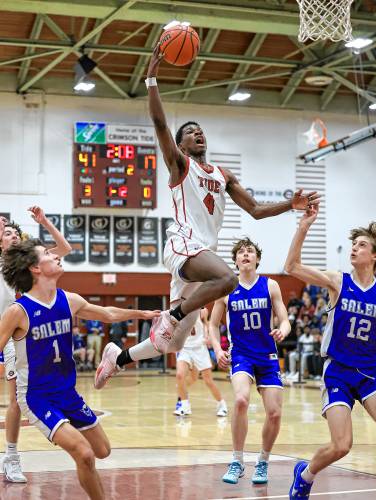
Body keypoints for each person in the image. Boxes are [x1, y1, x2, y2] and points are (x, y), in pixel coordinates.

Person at [94, 43, 320, 390]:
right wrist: (152, 76)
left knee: (170, 344)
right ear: (181, 146)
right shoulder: (180, 165)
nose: (198, 132)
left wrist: (291, 204)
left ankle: (117, 357)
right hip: (184, 245)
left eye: (201, 130)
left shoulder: (222, 174)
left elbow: (256, 211)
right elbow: (158, 122)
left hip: (204, 258)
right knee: (229, 280)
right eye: (190, 131)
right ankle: (172, 315)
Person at [0, 238, 159, 500]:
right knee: (84, 454)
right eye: (48, 255)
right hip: (37, 397)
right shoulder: (18, 311)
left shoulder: (69, 300)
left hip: (68, 393)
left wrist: (142, 315)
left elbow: (106, 313)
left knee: (102, 451)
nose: (56, 257)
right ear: (35, 268)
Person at [284, 205, 376, 500]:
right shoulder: (338, 281)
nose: (354, 248)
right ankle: (305, 474)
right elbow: (292, 268)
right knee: (341, 445)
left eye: (362, 245)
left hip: (371, 372)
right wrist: (304, 226)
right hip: (338, 370)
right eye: (353, 244)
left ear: (374, 256)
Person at [209, 238, 291, 485]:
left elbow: (285, 320)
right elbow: (213, 324)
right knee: (242, 399)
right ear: (235, 260)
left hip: (267, 356)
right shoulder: (226, 289)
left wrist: (283, 331)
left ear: (257, 259)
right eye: (241, 252)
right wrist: (217, 348)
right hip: (241, 355)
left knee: (275, 414)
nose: (245, 254)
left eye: (250, 251)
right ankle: (236, 460)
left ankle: (263, 461)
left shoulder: (271, 285)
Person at [0, 207, 72, 483]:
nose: (14, 236)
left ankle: (11, 457)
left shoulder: (29, 265)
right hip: (6, 331)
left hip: (20, 334)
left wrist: (44, 222)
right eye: (7, 233)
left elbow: (64, 247)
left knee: (18, 398)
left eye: (17, 232)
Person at [174, 308, 228, 417]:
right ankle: (184, 405)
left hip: (199, 348)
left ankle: (222, 404)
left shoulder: (202, 310)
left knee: (207, 380)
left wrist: (208, 336)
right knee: (180, 376)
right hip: (185, 348)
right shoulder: (177, 309)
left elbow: (207, 324)